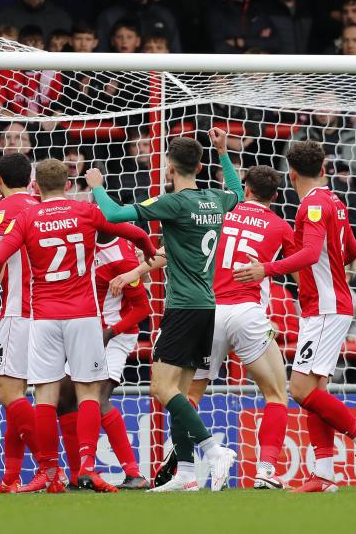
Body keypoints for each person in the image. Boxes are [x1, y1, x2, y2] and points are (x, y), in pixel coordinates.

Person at [0, 159, 156, 493]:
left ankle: (48, 470)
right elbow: (131, 230)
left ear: (37, 187)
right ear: (69, 185)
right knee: (87, 392)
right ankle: (87, 467)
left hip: (42, 316)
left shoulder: (26, 216)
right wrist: (146, 248)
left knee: (45, 397)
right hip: (84, 315)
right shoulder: (84, 212)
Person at [87, 128, 242, 492]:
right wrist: (224, 153)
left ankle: (212, 449)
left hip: (183, 307)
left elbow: (112, 213)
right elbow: (237, 191)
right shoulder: (215, 199)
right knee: (179, 392)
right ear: (200, 165)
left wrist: (96, 184)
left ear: (169, 168)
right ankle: (187, 473)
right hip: (205, 305)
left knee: (160, 387)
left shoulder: (172, 203)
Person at [120, 163, 294, 489]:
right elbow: (300, 270)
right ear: (276, 194)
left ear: (246, 189)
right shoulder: (280, 225)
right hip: (246, 312)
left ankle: (186, 470)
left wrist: (133, 274)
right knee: (276, 394)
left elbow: (175, 252)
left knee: (184, 394)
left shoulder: (218, 212)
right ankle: (266, 473)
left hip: (207, 311)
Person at [239, 139, 356, 492]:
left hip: (325, 307)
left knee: (301, 389)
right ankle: (323, 474)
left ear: (290, 175)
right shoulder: (335, 200)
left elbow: (308, 253)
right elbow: (350, 250)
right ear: (323, 168)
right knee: (316, 389)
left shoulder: (313, 206)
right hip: (327, 304)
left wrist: (266, 269)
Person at [55, 230, 152, 490]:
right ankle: (77, 474)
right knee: (64, 398)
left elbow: (143, 308)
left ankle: (133, 473)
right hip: (87, 332)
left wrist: (110, 333)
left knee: (96, 398)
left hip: (114, 334)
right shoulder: (81, 243)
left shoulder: (122, 257)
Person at [0, 153, 39, 493]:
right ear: (31, 179)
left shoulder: (4, 209)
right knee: (30, 397)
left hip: (19, 311)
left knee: (10, 395)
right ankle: (11, 477)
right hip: (49, 312)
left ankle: (47, 465)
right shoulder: (41, 204)